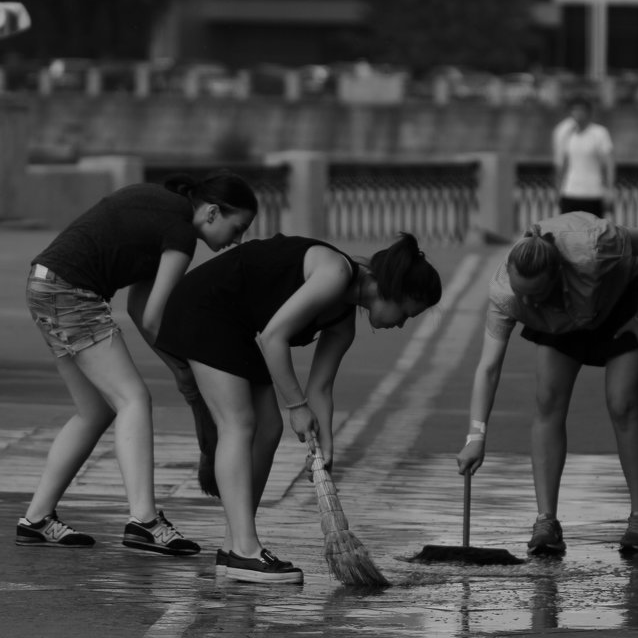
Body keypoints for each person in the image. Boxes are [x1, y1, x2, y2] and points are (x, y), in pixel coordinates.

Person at [155, 232, 442, 583]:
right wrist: (296, 405)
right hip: (206, 307)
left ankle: (234, 547)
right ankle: (245, 550)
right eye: (407, 315)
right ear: (398, 292)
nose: (401, 324)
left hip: (241, 325)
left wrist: (327, 447)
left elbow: (320, 387)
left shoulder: (343, 325)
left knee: (268, 429)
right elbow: (273, 338)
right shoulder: (336, 273)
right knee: (239, 424)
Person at [18, 171, 258, 554]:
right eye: (238, 227)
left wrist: (180, 369)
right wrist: (187, 368)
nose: (237, 240)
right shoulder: (180, 234)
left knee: (94, 410)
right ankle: (144, 521)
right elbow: (152, 318)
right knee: (133, 400)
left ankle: (37, 518)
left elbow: (139, 307)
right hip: (70, 293)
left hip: (44, 284)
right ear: (212, 212)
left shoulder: (165, 210)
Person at [456, 211, 638, 557]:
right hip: (560, 317)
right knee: (549, 401)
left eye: (535, 295)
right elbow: (488, 367)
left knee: (622, 403)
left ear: (558, 274)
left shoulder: (595, 246)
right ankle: (546, 521)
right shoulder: (507, 295)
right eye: (523, 296)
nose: (527, 303)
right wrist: (475, 437)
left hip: (620, 301)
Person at [553, 97, 616, 219]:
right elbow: (562, 164)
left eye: (581, 110)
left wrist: (610, 189)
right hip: (570, 191)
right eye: (574, 110)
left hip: (593, 193)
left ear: (588, 113)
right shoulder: (567, 133)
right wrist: (558, 189)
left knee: (593, 234)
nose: (578, 114)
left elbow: (609, 163)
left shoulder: (600, 133)